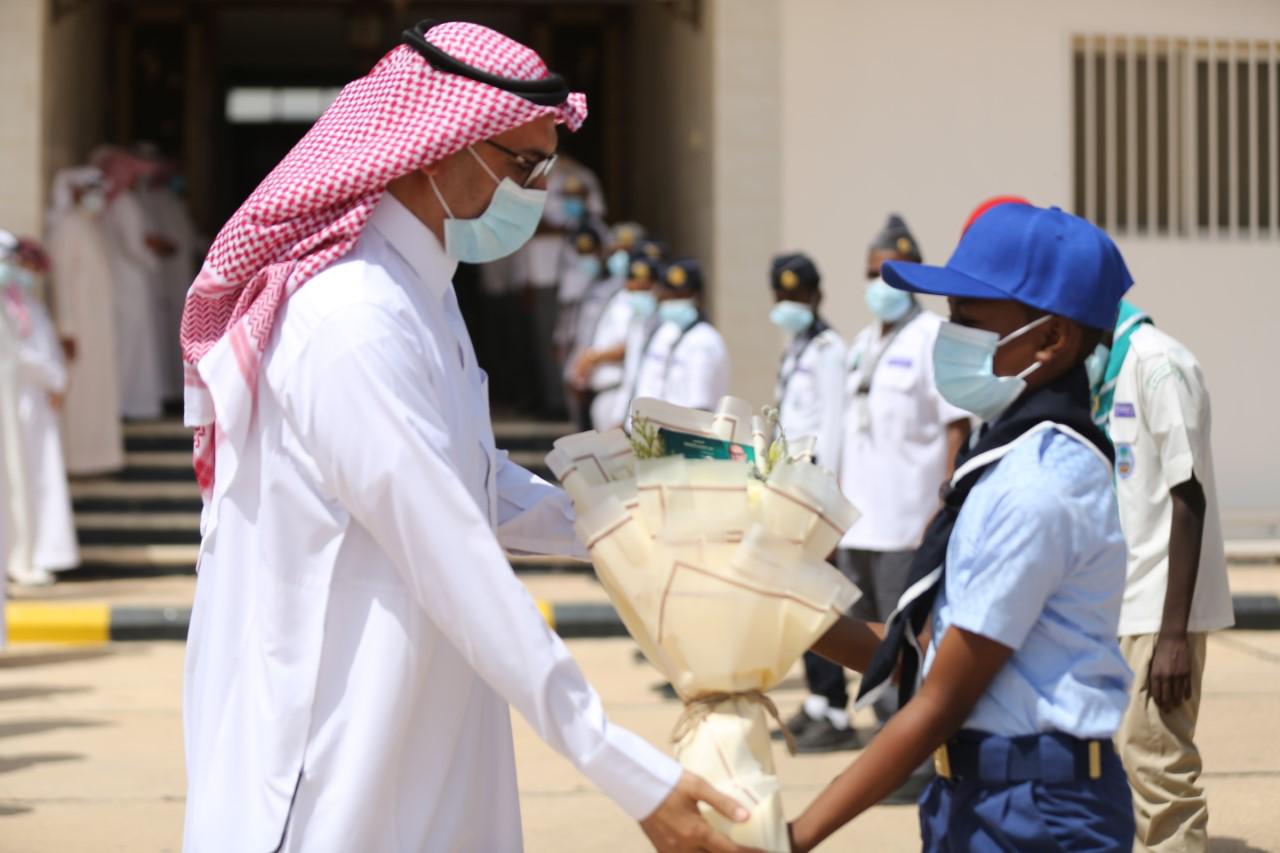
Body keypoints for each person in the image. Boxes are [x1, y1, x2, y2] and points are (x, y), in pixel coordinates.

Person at [178, 22, 749, 853]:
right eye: (525, 166)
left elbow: (472, 482)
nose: (538, 194)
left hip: (422, 718)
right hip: (333, 745)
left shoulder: (423, 293)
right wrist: (621, 763)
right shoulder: (351, 317)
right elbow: (449, 545)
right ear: (436, 150)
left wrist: (636, 519)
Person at [789, 202, 1137, 852]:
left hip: (1038, 813)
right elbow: (924, 657)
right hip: (980, 795)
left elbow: (940, 700)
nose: (950, 339)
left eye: (971, 323)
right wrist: (776, 609)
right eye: (951, 318)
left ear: (1051, 340)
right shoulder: (1001, 458)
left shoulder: (1037, 485)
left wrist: (791, 837)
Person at [786, 217, 971, 758]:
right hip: (860, 520)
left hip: (908, 522)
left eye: (892, 273)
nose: (880, 284)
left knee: (907, 642)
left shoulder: (931, 335)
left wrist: (943, 505)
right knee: (868, 645)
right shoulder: (864, 341)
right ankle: (893, 742)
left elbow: (955, 426)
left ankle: (920, 750)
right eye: (873, 273)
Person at [1091, 303, 1234, 852]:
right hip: (1117, 600)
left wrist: (1174, 636)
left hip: (1158, 608)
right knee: (1119, 767)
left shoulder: (1159, 365)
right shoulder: (1105, 370)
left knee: (1156, 766)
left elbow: (1188, 494)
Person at [4, 239, 78, 586]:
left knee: (39, 478)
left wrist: (56, 380)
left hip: (36, 401)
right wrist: (53, 378)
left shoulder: (22, 302)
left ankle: (42, 552)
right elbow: (15, 356)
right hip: (19, 401)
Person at [45, 167, 126, 475]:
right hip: (78, 328)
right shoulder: (68, 227)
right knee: (81, 394)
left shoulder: (90, 226)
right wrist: (66, 328)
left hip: (97, 326)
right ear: (77, 192)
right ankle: (77, 460)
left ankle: (98, 458)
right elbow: (62, 282)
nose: (98, 198)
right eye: (92, 191)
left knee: (97, 392)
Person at [94, 146, 166, 419]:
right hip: (129, 280)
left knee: (125, 342)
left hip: (117, 278)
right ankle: (127, 403)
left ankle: (124, 402)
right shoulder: (124, 203)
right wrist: (156, 263)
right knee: (130, 343)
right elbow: (134, 247)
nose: (136, 179)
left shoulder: (111, 203)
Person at [567, 222, 646, 431]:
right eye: (615, 251)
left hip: (619, 390)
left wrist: (592, 357)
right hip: (599, 389)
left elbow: (631, 345)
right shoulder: (609, 290)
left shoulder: (640, 301)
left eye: (626, 252)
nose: (620, 258)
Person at [631, 258, 729, 412]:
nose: (671, 302)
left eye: (679, 297)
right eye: (668, 297)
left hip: (684, 426)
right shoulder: (666, 333)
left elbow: (700, 407)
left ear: (697, 297)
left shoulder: (704, 340)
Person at [556, 225, 608, 429]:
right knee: (578, 406)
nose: (586, 259)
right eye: (581, 252)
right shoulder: (571, 280)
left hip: (598, 353)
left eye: (591, 252)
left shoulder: (610, 284)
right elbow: (567, 315)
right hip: (575, 345)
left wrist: (592, 356)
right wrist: (559, 338)